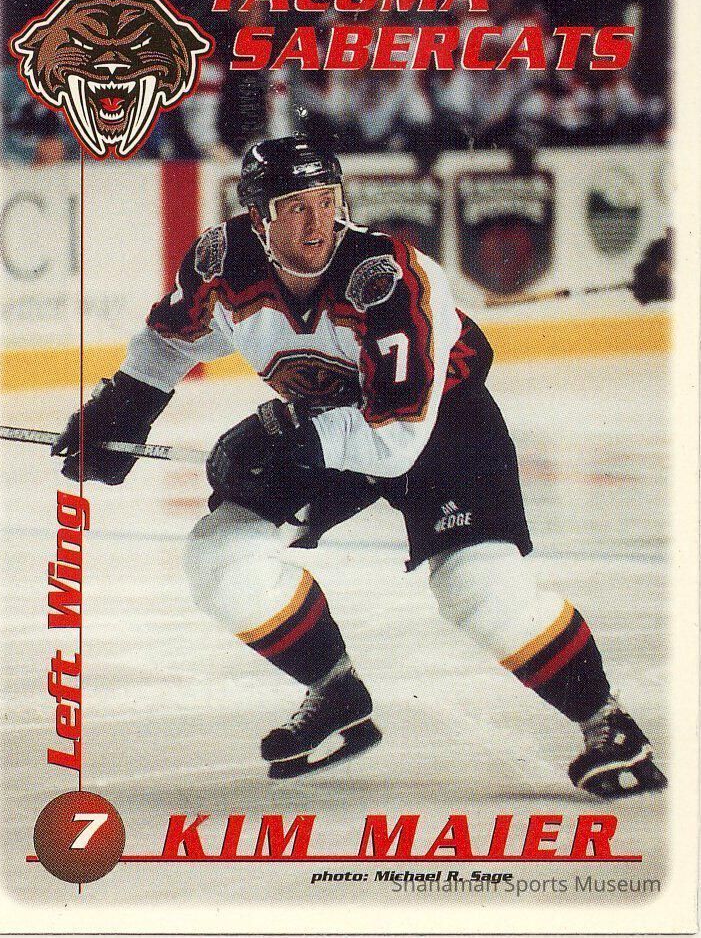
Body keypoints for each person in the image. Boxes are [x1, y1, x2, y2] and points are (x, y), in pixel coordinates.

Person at [52, 136, 667, 796]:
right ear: (258, 215)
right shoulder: (220, 262)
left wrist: (290, 440)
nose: (316, 223)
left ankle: (610, 727)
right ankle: (335, 692)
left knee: (475, 586)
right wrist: (121, 410)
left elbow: (396, 438)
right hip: (327, 419)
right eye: (295, 207)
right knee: (220, 556)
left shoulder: (387, 278)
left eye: (326, 201)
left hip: (440, 422)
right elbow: (169, 340)